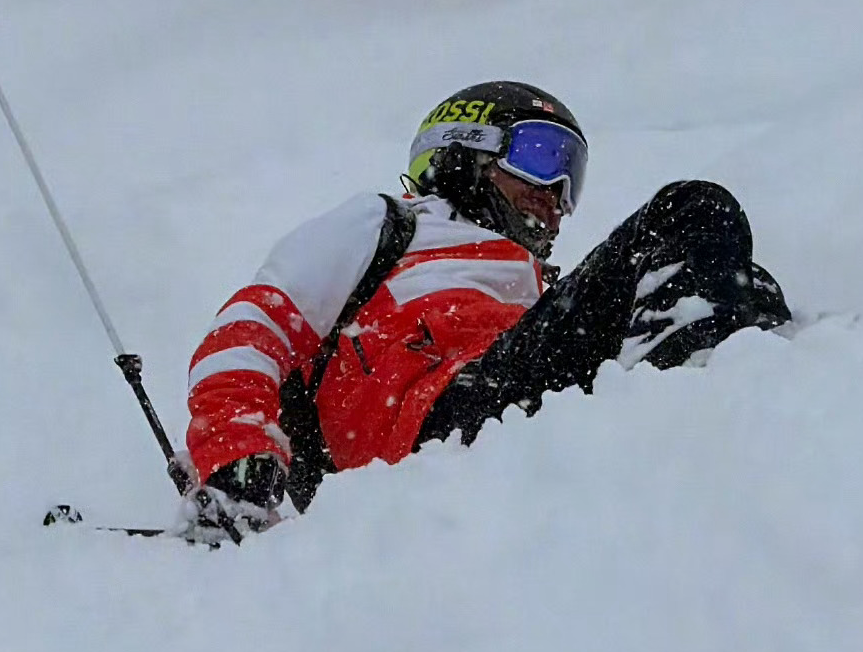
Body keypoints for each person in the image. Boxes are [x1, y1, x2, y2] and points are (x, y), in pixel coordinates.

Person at [183, 81, 791, 542]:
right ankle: (695, 404)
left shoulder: (537, 287)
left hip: (534, 417)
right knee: (693, 210)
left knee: (737, 279)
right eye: (540, 157)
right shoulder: (391, 226)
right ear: (464, 152)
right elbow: (252, 329)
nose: (556, 194)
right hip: (437, 423)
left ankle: (744, 405)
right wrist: (237, 456)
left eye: (571, 176)